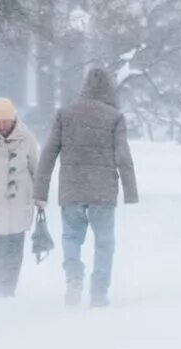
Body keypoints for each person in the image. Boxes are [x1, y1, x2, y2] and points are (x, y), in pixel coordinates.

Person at [34, 68, 138, 307]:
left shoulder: (66, 114)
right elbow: (123, 156)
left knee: (71, 236)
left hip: (72, 190)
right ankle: (99, 292)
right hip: (102, 193)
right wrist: (130, 192)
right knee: (104, 242)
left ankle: (73, 275)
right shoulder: (114, 117)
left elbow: (49, 153)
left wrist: (40, 192)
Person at [0, 98, 39, 297]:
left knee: (14, 252)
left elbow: (36, 170)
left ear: (13, 119)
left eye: (6, 121)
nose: (2, 125)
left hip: (18, 206)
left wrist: (38, 196)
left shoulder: (27, 138)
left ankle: (9, 290)